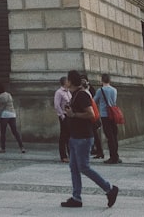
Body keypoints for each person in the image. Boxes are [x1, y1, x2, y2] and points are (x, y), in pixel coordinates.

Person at [61, 70, 119, 209]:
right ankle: (76, 198)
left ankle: (110, 189)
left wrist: (73, 114)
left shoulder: (81, 95)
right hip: (75, 136)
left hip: (83, 137)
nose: (66, 82)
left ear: (71, 81)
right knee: (74, 167)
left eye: (67, 80)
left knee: (83, 167)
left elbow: (90, 114)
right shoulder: (75, 94)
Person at [94, 73, 122, 164]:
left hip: (105, 114)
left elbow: (94, 101)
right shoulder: (114, 90)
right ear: (109, 80)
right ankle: (116, 155)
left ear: (101, 80)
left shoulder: (100, 90)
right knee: (114, 135)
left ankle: (113, 157)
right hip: (113, 114)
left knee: (109, 136)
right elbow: (113, 101)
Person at [0, 82, 25, 154]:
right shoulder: (9, 95)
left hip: (4, 115)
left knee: (3, 133)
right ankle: (22, 147)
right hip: (12, 114)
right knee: (15, 132)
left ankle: (3, 148)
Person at [54, 75, 72, 163]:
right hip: (64, 115)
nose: (69, 83)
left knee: (69, 135)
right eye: (68, 81)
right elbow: (57, 105)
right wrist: (62, 116)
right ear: (65, 82)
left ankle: (70, 153)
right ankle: (63, 155)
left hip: (69, 115)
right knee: (64, 136)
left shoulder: (68, 92)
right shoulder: (59, 92)